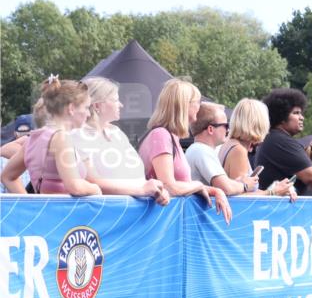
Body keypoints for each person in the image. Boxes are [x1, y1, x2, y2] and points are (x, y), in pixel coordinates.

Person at [139, 79, 231, 224]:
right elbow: (169, 186)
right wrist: (199, 185)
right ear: (184, 105)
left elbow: (182, 185)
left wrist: (215, 191)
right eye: (197, 102)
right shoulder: (161, 135)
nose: (200, 107)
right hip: (158, 223)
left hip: (166, 221)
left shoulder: (170, 137)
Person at [70, 76, 167, 203]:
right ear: (97, 105)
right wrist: (142, 190)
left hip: (137, 208)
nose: (121, 105)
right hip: (108, 210)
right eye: (115, 100)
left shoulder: (117, 132)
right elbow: (92, 182)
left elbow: (137, 176)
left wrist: (157, 189)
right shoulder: (78, 135)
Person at [21, 77, 101, 196]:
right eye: (86, 107)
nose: (89, 114)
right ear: (71, 108)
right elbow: (75, 187)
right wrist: (96, 189)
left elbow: (8, 176)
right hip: (64, 208)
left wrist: (29, 202)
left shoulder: (33, 138)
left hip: (46, 206)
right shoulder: (61, 138)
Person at [220, 98, 296, 199]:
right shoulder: (238, 150)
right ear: (260, 124)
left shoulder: (229, 144)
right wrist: (273, 192)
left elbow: (242, 190)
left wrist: (277, 189)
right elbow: (241, 197)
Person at [186, 102, 258, 196]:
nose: (228, 130)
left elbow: (224, 185)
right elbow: (226, 188)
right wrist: (245, 185)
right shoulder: (202, 151)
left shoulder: (197, 149)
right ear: (210, 129)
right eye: (225, 126)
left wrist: (238, 183)